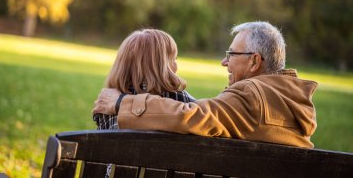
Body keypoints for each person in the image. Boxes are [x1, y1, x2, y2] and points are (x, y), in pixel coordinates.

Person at [93, 22, 318, 148]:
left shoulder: (253, 94)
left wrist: (122, 102)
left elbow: (191, 116)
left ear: (254, 61)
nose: (224, 61)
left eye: (231, 54)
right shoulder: (292, 103)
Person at [93, 28, 196, 130]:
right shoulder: (179, 99)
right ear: (163, 66)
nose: (176, 65)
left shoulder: (106, 104)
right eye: (174, 59)